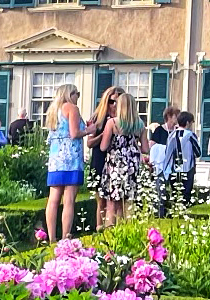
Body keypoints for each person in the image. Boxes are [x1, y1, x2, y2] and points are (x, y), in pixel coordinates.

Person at [44, 84, 92, 242]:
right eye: (77, 93)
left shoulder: (53, 110)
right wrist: (89, 131)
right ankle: (65, 236)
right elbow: (74, 133)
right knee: (69, 199)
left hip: (55, 157)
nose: (78, 96)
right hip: (71, 157)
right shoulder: (72, 108)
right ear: (70, 94)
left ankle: (51, 237)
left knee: (53, 198)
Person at [98, 92, 147, 227]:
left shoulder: (112, 122)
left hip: (115, 164)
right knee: (129, 201)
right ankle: (129, 230)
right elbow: (145, 149)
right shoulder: (140, 124)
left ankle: (110, 232)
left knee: (112, 202)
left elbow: (103, 147)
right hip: (132, 164)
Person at [85, 86, 122, 230]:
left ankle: (115, 227)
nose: (114, 106)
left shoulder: (122, 120)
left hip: (116, 163)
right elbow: (89, 142)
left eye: (117, 103)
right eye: (112, 102)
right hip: (100, 160)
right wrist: (104, 134)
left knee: (116, 199)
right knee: (101, 200)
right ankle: (99, 227)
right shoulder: (98, 119)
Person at [162, 111, 201, 212]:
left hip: (173, 169)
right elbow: (198, 152)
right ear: (188, 123)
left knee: (175, 195)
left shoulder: (171, 135)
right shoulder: (190, 135)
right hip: (187, 168)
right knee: (186, 195)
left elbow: (167, 152)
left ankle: (175, 212)